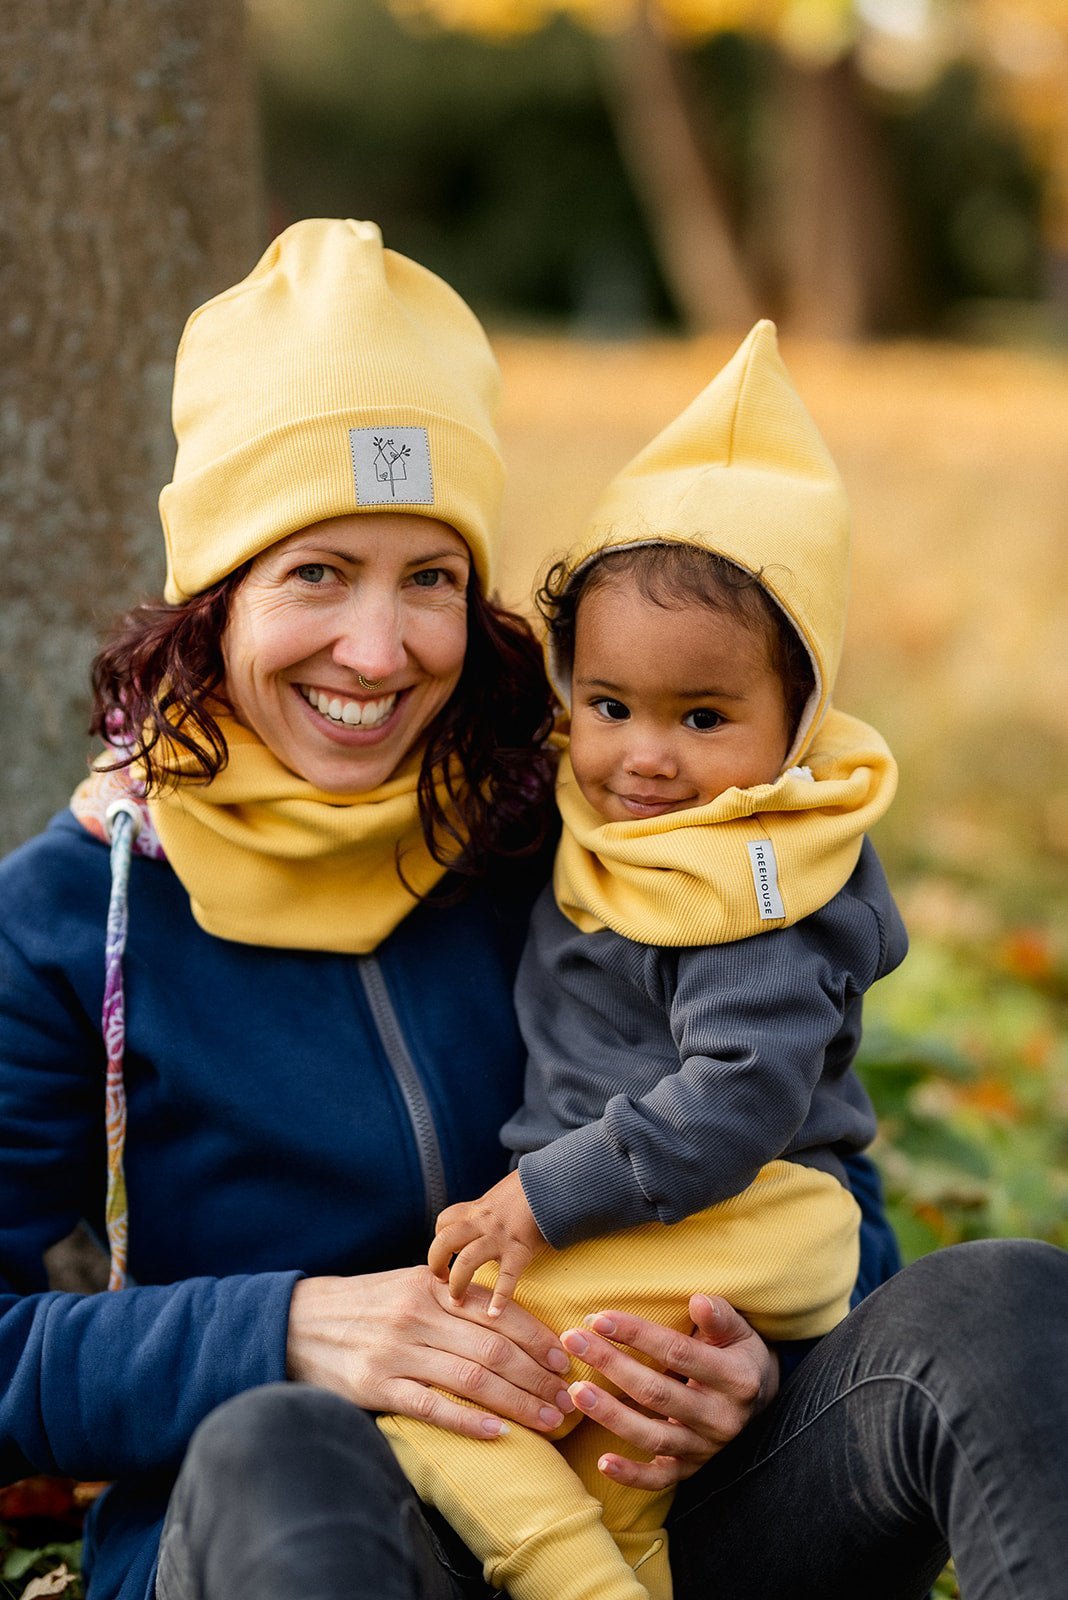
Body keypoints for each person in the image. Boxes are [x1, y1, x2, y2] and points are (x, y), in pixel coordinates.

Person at [0, 219, 1063, 1600]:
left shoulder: (576, 822)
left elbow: (805, 1147)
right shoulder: (76, 914)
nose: (378, 653)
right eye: (316, 570)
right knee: (278, 1445)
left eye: (428, 578)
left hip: (654, 1490)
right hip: (322, 1527)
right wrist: (293, 1332)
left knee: (1007, 1307)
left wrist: (752, 1353)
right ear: (215, 589)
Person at [379, 321, 907, 1600]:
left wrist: (534, 1199)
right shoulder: (618, 827)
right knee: (598, 1429)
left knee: (440, 1384)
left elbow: (738, 1093)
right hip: (670, 1221)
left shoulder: (748, 882)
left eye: (704, 717)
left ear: (798, 725)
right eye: (610, 705)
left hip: (739, 1208)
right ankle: (615, 1569)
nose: (645, 758)